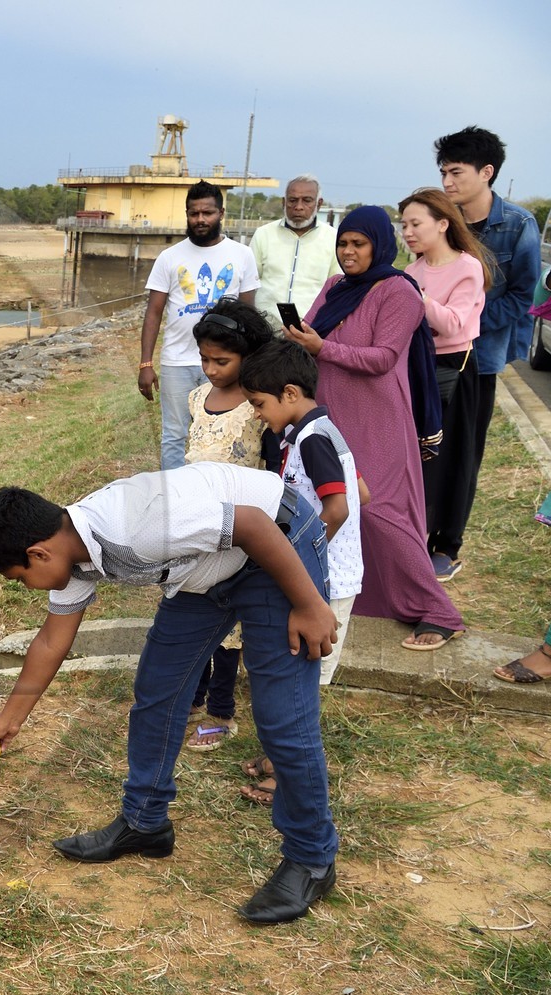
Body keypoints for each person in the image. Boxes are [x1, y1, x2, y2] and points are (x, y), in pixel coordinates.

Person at [0, 463, 340, 924]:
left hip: (275, 544)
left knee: (281, 716)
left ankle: (312, 858)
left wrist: (309, 605)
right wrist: (11, 715)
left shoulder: (135, 528)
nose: (26, 587)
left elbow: (252, 524)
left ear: (39, 553)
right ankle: (145, 823)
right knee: (158, 691)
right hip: (207, 568)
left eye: (19, 578)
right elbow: (51, 640)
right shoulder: (75, 550)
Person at [284, 206, 464, 650]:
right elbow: (311, 336)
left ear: (379, 245)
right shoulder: (334, 287)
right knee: (337, 507)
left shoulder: (398, 291)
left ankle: (439, 613)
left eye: (358, 244)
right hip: (331, 418)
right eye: (343, 243)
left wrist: (322, 346)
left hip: (379, 420)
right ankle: (368, 596)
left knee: (383, 512)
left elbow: (383, 358)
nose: (348, 252)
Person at [237, 340, 363, 804]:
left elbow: (340, 507)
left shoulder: (311, 440)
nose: (255, 414)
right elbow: (362, 490)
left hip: (324, 581)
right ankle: (278, 760)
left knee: (300, 687)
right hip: (324, 575)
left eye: (258, 403)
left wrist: (300, 564)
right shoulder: (316, 431)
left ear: (290, 393)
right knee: (295, 677)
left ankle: (288, 779)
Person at [432, 127, 543, 573]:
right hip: (434, 358)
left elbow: (523, 298)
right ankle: (416, 533)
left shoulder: (518, 225)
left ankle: (447, 546)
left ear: (487, 172)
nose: (447, 183)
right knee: (428, 448)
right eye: (442, 173)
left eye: (456, 173)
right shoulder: (443, 220)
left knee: (464, 455)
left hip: (479, 361)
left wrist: (467, 329)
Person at [182, 300, 275, 752]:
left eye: (222, 361)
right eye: (204, 360)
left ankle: (221, 710)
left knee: (230, 628)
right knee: (196, 614)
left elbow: (271, 468)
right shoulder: (197, 399)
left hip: (241, 530)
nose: (212, 369)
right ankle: (193, 701)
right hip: (197, 526)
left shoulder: (257, 407)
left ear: (248, 355)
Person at [399, 187, 491, 580]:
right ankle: (414, 536)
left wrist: (417, 298)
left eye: (415, 224)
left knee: (453, 456)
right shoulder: (412, 270)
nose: (408, 232)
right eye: (403, 225)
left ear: (442, 223)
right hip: (416, 367)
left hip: (456, 368)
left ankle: (447, 546)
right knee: (419, 456)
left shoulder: (467, 266)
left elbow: (453, 323)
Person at [140, 180, 261, 470]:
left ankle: (218, 490)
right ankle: (176, 498)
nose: (200, 220)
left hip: (226, 362)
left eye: (207, 213)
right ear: (187, 214)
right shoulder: (169, 257)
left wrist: (251, 361)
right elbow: (154, 312)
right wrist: (146, 363)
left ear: (221, 213)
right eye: (194, 214)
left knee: (223, 432)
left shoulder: (242, 255)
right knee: (173, 434)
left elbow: (248, 313)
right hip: (177, 362)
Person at [251, 175, 341, 329]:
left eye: (307, 200)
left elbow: (338, 289)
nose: (298, 207)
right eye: (292, 200)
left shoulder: (334, 239)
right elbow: (249, 283)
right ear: (284, 202)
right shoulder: (263, 235)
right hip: (264, 329)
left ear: (319, 204)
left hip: (311, 331)